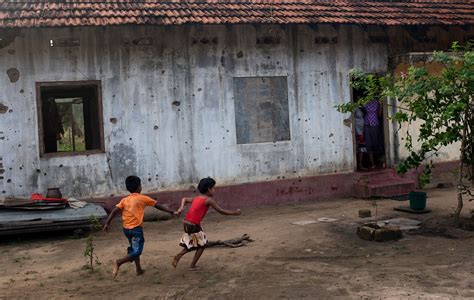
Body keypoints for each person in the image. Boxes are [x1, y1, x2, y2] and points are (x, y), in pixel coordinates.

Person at [103, 175, 177, 278]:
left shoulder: (125, 200)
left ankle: (138, 269)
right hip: (136, 229)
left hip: (126, 229)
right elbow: (157, 205)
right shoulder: (142, 198)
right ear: (139, 187)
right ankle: (119, 262)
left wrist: (107, 223)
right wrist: (170, 211)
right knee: (137, 251)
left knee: (134, 248)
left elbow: (115, 211)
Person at [172, 177, 241, 270]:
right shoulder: (208, 200)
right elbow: (221, 211)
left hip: (187, 224)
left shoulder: (197, 198)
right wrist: (235, 213)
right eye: (213, 188)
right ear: (209, 189)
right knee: (202, 245)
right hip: (193, 225)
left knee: (196, 244)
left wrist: (181, 208)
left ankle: (181, 257)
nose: (214, 190)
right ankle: (190, 264)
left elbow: (184, 199)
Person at [363, 97, 384, 169]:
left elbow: (380, 115)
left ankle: (378, 161)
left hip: (375, 124)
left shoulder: (377, 101)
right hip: (366, 124)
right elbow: (363, 112)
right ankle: (372, 163)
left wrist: (381, 105)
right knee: (368, 144)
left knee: (376, 143)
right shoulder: (364, 101)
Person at [354, 107, 368, 171]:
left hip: (361, 130)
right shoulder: (354, 108)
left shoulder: (359, 108)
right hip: (358, 132)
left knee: (362, 148)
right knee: (361, 148)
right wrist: (359, 133)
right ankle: (359, 165)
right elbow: (353, 120)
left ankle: (360, 164)